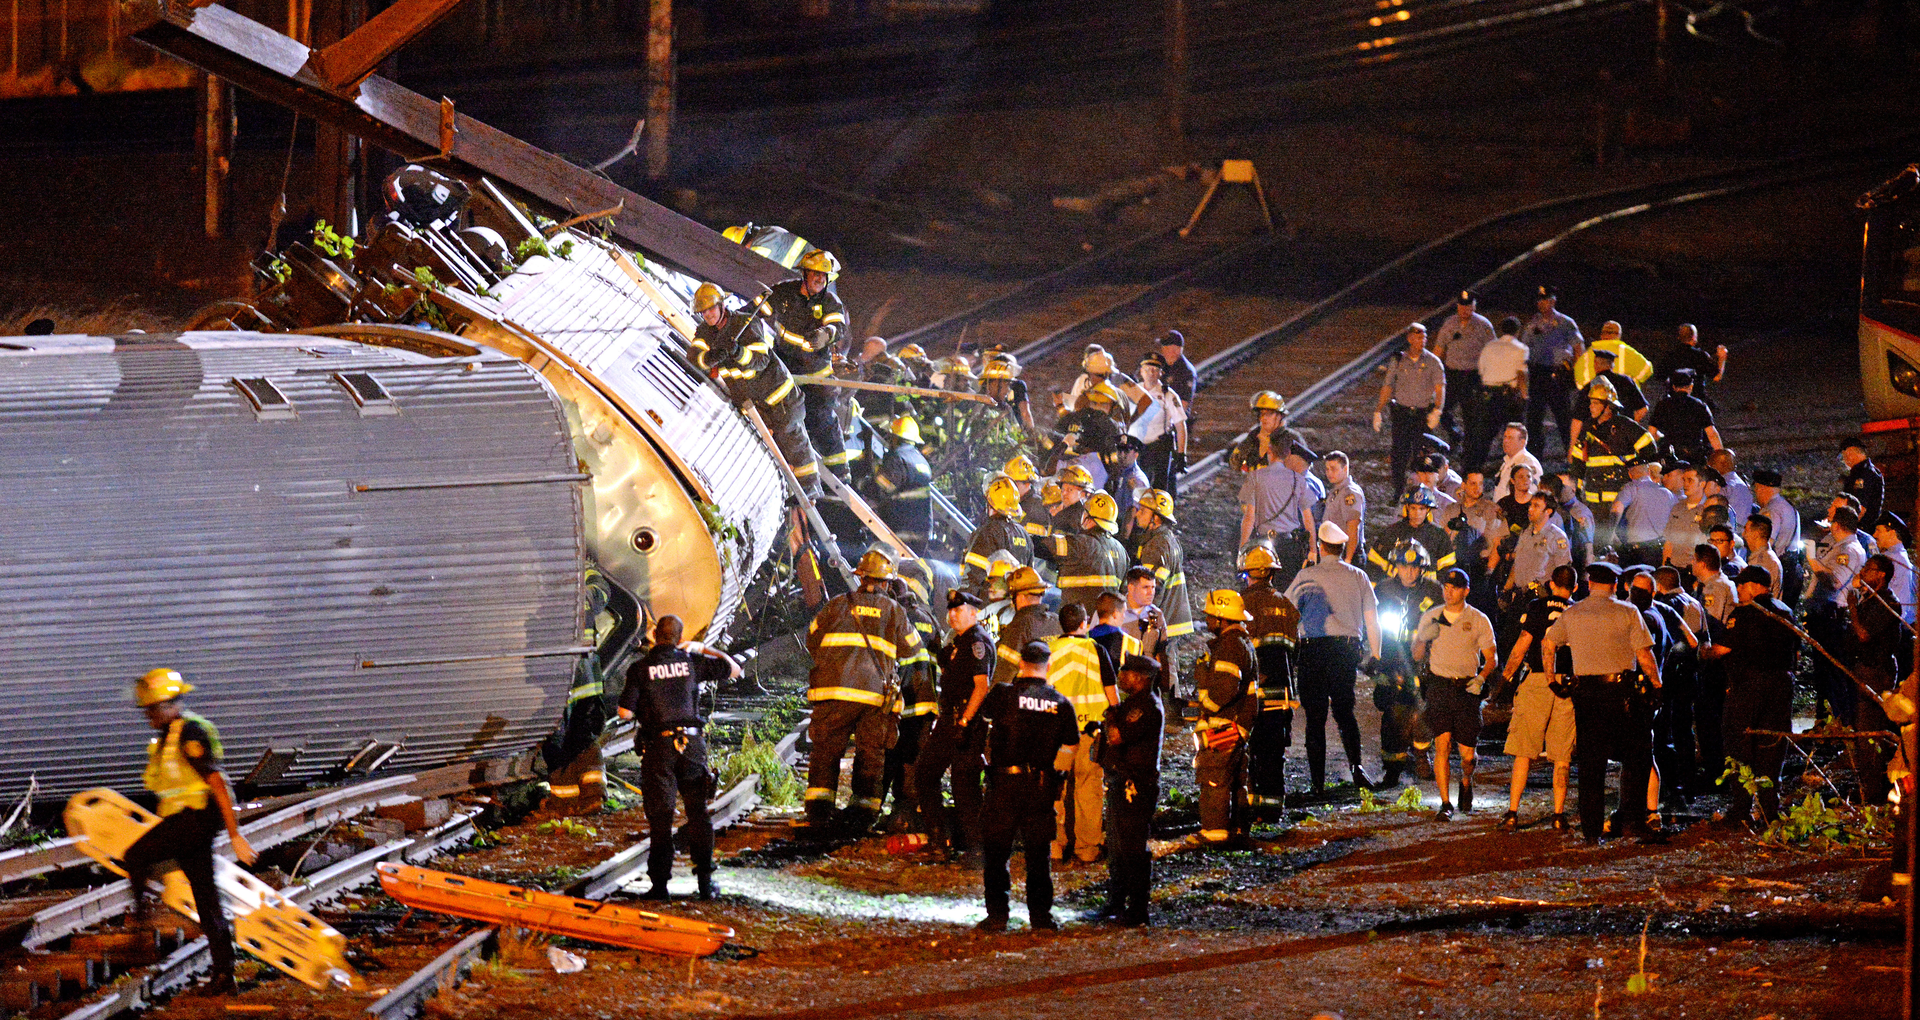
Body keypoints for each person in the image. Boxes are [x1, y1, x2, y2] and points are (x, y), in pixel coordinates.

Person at [124, 668, 255, 995]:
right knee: (207, 900)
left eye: (153, 709)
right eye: (147, 710)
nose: (148, 715)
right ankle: (225, 975)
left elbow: (217, 782)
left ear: (171, 704)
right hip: (187, 822)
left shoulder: (188, 733)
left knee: (135, 856)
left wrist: (235, 834)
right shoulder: (168, 736)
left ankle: (141, 928)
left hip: (194, 821)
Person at [803, 550, 926, 834]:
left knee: (826, 750)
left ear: (860, 577)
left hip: (833, 693)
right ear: (886, 582)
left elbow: (812, 640)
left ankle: (819, 810)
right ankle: (863, 813)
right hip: (874, 697)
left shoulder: (835, 605)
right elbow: (913, 649)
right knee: (872, 752)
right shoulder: (895, 611)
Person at [618, 615, 741, 899]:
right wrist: (701, 648)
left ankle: (659, 887)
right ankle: (705, 885)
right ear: (679, 636)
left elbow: (624, 713)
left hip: (659, 748)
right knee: (698, 813)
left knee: (661, 818)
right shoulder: (691, 662)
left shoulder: (640, 667)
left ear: (653, 635)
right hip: (692, 745)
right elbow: (734, 668)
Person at [1539, 563, 1663, 843]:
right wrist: (1657, 686)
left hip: (1587, 696)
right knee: (1636, 757)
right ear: (1616, 585)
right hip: (1622, 694)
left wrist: (1551, 680)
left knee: (1591, 764)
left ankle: (1591, 830)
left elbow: (1548, 644)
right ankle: (1633, 820)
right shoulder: (1628, 611)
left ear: (1589, 583)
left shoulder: (1573, 613)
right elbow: (1644, 654)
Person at [975, 641, 1081, 932]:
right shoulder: (1060, 703)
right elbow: (1072, 744)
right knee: (1038, 855)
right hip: (1040, 786)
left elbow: (984, 717)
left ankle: (997, 916)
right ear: (1048, 667)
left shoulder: (1003, 694)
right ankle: (1041, 917)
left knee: (997, 854)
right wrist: (1056, 774)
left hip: (1004, 784)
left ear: (1021, 664)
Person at [690, 283, 821, 495]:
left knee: (793, 440)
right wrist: (709, 358)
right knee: (772, 449)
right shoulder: (705, 332)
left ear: (722, 305)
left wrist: (737, 352)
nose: (707, 315)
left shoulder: (745, 323)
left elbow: (760, 360)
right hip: (752, 404)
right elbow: (694, 356)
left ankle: (811, 491)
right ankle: (791, 492)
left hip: (778, 396)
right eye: (703, 311)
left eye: (711, 309)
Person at [1286, 521, 1384, 794]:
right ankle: (1357, 769)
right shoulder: (1358, 576)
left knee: (1315, 718)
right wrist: (1375, 654)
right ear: (1342, 549)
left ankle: (1317, 783)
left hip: (1313, 650)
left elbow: (1288, 611)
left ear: (1320, 546)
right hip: (1345, 650)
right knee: (1345, 711)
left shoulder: (1306, 576)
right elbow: (1372, 620)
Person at [1699, 566, 1800, 826]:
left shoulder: (1744, 614)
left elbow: (1722, 649)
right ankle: (1770, 811)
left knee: (1738, 744)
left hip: (1748, 688)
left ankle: (1741, 810)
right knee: (1772, 745)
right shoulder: (1785, 611)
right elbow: (1796, 653)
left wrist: (1704, 651)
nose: (1739, 591)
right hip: (1781, 687)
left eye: (1742, 586)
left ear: (1755, 586)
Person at [1413, 567, 1499, 819]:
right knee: (1441, 745)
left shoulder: (1479, 619)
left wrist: (1481, 678)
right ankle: (1445, 804)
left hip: (1466, 690)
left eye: (1454, 588)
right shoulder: (1432, 616)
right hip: (1439, 687)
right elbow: (1416, 655)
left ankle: (1466, 780)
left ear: (1466, 591)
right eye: (1446, 587)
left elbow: (1491, 657)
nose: (1448, 592)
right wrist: (1421, 640)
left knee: (1467, 755)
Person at [1499, 565, 1578, 831]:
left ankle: (1512, 813)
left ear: (1552, 584)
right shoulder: (1579, 610)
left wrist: (1504, 679)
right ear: (1575, 588)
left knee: (1524, 751)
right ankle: (1558, 815)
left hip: (1538, 681)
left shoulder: (1537, 606)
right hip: (1567, 683)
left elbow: (1523, 642)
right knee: (1562, 755)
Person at [916, 590, 995, 858]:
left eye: (958, 610)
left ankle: (975, 849)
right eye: (950, 610)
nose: (952, 615)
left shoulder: (978, 642)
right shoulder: (957, 643)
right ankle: (939, 840)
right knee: (925, 774)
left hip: (967, 724)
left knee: (965, 787)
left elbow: (981, 687)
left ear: (974, 612)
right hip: (949, 722)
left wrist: (964, 721)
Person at [763, 250, 853, 480]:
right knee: (779, 415)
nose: (820, 279)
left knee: (821, 418)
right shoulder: (784, 292)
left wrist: (826, 334)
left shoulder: (831, 302)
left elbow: (837, 327)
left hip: (815, 376)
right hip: (784, 369)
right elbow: (754, 310)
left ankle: (840, 474)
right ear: (804, 273)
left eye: (825, 275)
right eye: (816, 273)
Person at [1093, 654, 1164, 926]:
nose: (1121, 676)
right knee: (1117, 846)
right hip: (1121, 781)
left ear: (1141, 678)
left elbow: (1117, 736)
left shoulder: (1146, 707)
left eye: (1126, 672)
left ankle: (1137, 909)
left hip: (1136, 785)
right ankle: (1116, 903)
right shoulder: (1134, 704)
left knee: (1132, 848)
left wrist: (1111, 717)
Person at [1045, 603, 1116, 863]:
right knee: (1089, 790)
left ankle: (1053, 846)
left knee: (1053, 791)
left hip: (1055, 734)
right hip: (1091, 733)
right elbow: (1112, 693)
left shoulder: (1049, 651)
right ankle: (1087, 849)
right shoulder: (1097, 650)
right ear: (1084, 623)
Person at [1192, 590, 1260, 844]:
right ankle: (1238, 830)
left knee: (1214, 777)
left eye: (1210, 616)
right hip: (1238, 724)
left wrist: (1205, 704)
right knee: (1236, 780)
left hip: (1223, 725)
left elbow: (1225, 689)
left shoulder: (1229, 645)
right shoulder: (1242, 643)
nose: (1207, 621)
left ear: (1221, 618)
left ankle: (1214, 833)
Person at [1373, 540, 1442, 788]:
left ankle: (1422, 756)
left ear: (1422, 568)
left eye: (1414, 567)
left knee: (1423, 709)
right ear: (1396, 567)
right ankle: (1392, 770)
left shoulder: (1435, 591)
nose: (1409, 572)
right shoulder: (1382, 590)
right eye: (1404, 566)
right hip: (1392, 658)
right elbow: (1372, 624)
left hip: (1424, 659)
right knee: (1391, 712)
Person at [1240, 544, 1301, 811]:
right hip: (1282, 692)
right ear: (1272, 575)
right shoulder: (1286, 605)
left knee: (1251, 750)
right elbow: (1295, 650)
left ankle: (1252, 808)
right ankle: (1273, 808)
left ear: (1249, 575)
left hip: (1252, 692)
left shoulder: (1241, 603)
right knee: (1274, 753)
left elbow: (1237, 649)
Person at [1847, 554, 1905, 805]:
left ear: (1881, 575)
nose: (1863, 572)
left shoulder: (1887, 602)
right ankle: (1868, 789)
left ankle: (1874, 794)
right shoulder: (1869, 599)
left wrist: (1851, 608)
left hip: (1877, 672)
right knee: (1863, 731)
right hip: (1864, 669)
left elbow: (1863, 635)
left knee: (1871, 733)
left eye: (1869, 569)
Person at [1806, 506, 1867, 724]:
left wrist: (1812, 558)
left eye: (1831, 522)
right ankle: (1828, 723)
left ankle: (1838, 723)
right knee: (1824, 675)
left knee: (1832, 675)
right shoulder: (1840, 546)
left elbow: (1834, 582)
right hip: (1824, 616)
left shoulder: (1849, 550)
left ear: (1838, 526)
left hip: (1831, 618)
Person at [1373, 323, 1446, 492]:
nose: (1423, 341)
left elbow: (1440, 388)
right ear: (1410, 338)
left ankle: (1421, 490)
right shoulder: (1398, 360)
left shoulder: (1433, 362)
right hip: (1402, 414)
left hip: (1422, 415)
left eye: (1424, 337)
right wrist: (1378, 410)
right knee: (1399, 454)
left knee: (1422, 454)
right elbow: (1388, 386)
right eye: (1419, 337)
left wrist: (1437, 410)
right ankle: (1398, 491)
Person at [1239, 439, 1318, 590]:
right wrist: (1313, 550)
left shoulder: (1256, 477)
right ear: (1287, 454)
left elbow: (1249, 518)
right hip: (1289, 546)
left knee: (1260, 588)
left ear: (1270, 452)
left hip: (1263, 545)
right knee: (1287, 591)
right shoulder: (1298, 480)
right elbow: (1309, 519)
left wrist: (1243, 550)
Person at [1570, 378, 1654, 518]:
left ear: (1608, 406)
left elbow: (1650, 450)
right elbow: (1578, 463)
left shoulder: (1625, 426)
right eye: (1591, 403)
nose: (1591, 406)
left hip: (1620, 501)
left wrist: (1635, 475)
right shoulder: (1588, 428)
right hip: (1593, 501)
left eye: (1596, 403)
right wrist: (1577, 493)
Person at [1037, 491, 1129, 615]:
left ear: (1087, 518)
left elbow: (1043, 547)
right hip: (1105, 621)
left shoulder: (1081, 543)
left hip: (1074, 620)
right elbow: (1124, 591)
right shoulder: (1122, 552)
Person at [1521, 285, 1585, 456]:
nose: (1541, 304)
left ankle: (1572, 453)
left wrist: (1576, 372)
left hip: (1558, 374)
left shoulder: (1565, 322)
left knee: (1564, 417)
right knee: (1534, 417)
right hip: (1537, 373)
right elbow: (1524, 346)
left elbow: (1578, 347)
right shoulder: (1533, 322)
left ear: (1553, 301)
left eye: (1546, 300)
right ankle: (1534, 455)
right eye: (1539, 300)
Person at [1434, 290, 1495, 452]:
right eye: (1462, 306)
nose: (1464, 310)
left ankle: (1469, 449)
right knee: (1441, 408)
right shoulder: (1449, 324)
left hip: (1473, 376)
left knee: (1471, 415)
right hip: (1452, 375)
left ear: (1474, 307)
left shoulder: (1483, 325)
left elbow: (1492, 350)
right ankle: (1455, 434)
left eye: (1468, 307)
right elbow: (1439, 349)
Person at [1133, 489, 1195, 639]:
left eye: (1143, 510)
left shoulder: (1157, 545)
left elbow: (1152, 592)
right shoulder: (1167, 539)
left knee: (1162, 661)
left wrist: (1147, 626)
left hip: (1164, 623)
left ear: (1156, 518)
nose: (1137, 514)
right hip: (1170, 619)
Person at [1472, 316, 1530, 467]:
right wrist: (1524, 396)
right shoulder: (1521, 349)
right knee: (1514, 434)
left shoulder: (1489, 347)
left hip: (1489, 395)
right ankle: (1515, 465)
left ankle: (1476, 466)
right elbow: (1521, 374)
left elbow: (1481, 370)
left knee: (1485, 434)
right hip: (1508, 395)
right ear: (1517, 331)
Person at [1568, 344, 1649, 449]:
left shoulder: (1591, 386)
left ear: (1596, 365)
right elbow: (1643, 409)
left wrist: (1572, 447)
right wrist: (1630, 426)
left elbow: (1577, 420)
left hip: (1596, 440)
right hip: (1625, 440)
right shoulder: (1626, 381)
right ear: (1612, 365)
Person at [1128, 353, 1189, 491]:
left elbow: (1180, 425)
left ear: (1160, 373)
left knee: (1157, 489)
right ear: (1141, 371)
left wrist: (1181, 455)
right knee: (1133, 488)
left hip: (1158, 448)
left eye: (1155, 370)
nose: (1151, 373)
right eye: (1148, 369)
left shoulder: (1168, 395)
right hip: (1135, 448)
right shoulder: (1132, 391)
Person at [873, 416, 933, 550]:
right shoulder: (922, 461)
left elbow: (885, 487)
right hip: (922, 530)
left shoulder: (897, 458)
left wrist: (871, 475)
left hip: (899, 528)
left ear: (895, 437)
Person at [1368, 487, 1453, 581]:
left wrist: (1436, 590)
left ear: (1428, 510)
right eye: (1413, 508)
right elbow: (1375, 564)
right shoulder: (1392, 532)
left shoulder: (1439, 536)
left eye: (1422, 509)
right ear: (1407, 508)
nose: (1417, 513)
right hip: (1394, 590)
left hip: (1426, 591)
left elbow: (1448, 569)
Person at [994, 566, 1063, 683]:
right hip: (1057, 695)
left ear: (1019, 597)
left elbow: (1004, 674)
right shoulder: (1057, 621)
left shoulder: (1019, 626)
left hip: (1029, 696)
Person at [964, 477, 1033, 589]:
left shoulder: (986, 533)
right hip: (1018, 601)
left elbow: (973, 576)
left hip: (991, 601)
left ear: (990, 504)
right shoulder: (1024, 534)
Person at [1506, 492, 1573, 604]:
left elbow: (1562, 573)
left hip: (1542, 598)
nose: (1530, 509)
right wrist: (1507, 589)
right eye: (1530, 505)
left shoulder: (1557, 537)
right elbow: (1518, 562)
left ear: (1548, 511)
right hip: (1520, 596)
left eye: (1536, 506)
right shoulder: (1526, 532)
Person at [1644, 369, 1722, 466]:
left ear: (1673, 387)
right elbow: (1712, 434)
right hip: (1694, 454)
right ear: (1691, 386)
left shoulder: (1662, 405)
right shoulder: (1700, 405)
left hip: (1671, 454)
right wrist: (1721, 457)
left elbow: (1651, 432)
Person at [1751, 468, 1802, 605]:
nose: (1756, 494)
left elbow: (1764, 543)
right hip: (1793, 570)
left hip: (1777, 571)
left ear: (1761, 488)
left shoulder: (1770, 511)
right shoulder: (1790, 507)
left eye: (1756, 489)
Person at [1661, 323, 1727, 411]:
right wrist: (1722, 358)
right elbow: (1717, 377)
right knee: (1713, 410)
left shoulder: (1669, 355)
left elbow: (1660, 376)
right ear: (1694, 338)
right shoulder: (1700, 355)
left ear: (1679, 338)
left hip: (1674, 401)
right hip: (1696, 402)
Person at [1321, 451, 1366, 562]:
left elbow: (1353, 527)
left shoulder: (1350, 493)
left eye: (1334, 469)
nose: (1329, 473)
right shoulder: (1336, 491)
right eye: (1327, 469)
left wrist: (1348, 559)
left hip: (1346, 553)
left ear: (1345, 469)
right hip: (1335, 552)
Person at [1489, 423, 1545, 504]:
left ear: (1522, 442)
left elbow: (1532, 492)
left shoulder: (1528, 463)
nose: (1505, 441)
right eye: (1505, 437)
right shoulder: (1507, 461)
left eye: (1510, 438)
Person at [1842, 439, 1886, 533]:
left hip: (1860, 529)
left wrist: (1843, 529)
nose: (1844, 460)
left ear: (1851, 453)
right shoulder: (1863, 471)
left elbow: (1860, 508)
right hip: (1860, 529)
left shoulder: (1864, 473)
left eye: (1844, 456)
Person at [1053, 463, 1096, 534]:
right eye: (1063, 489)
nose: (1063, 493)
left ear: (1083, 493)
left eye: (1070, 490)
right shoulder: (1092, 517)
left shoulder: (1064, 518)